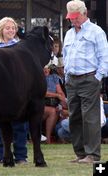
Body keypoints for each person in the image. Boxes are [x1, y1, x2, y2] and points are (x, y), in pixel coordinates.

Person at [63, 0, 108, 163]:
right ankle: (81, 153)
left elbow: (105, 57)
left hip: (89, 78)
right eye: (71, 17)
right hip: (72, 80)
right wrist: (66, 75)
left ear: (84, 13)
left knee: (90, 118)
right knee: (74, 117)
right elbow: (66, 55)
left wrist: (97, 77)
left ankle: (93, 155)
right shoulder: (69, 33)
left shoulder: (96, 32)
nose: (73, 20)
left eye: (76, 17)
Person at [0, 17, 28, 165]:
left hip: (18, 92)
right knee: (0, 126)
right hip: (0, 94)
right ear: (1, 30)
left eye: (13, 28)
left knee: (20, 125)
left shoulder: (21, 47)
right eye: (8, 28)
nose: (11, 30)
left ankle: (21, 156)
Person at [43, 64, 66, 144]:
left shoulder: (54, 77)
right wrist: (56, 95)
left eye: (47, 68)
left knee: (61, 111)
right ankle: (48, 139)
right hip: (41, 103)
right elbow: (43, 93)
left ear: (50, 69)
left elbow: (60, 91)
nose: (46, 70)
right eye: (44, 68)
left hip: (54, 103)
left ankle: (61, 137)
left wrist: (63, 100)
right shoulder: (38, 77)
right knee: (53, 111)